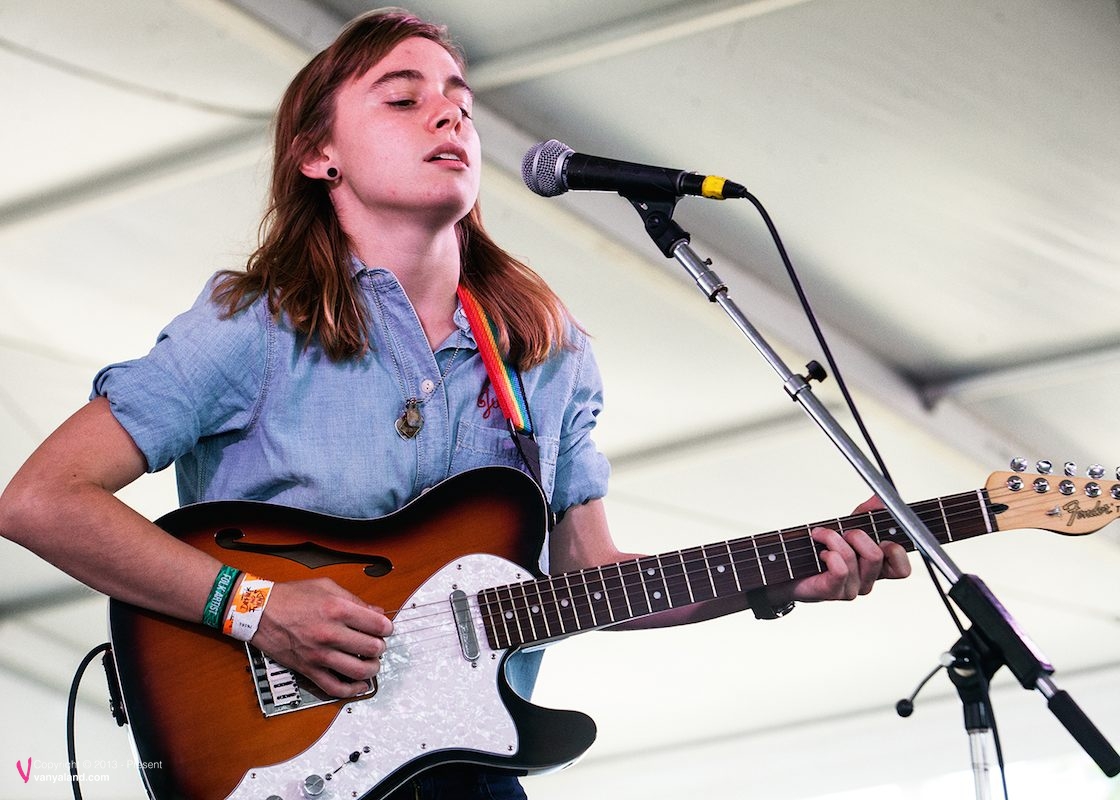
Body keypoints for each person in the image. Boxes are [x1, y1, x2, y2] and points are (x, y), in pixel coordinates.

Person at [0, 9, 911, 800]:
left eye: (460, 103)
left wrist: (779, 576)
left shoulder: (549, 355)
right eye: (402, 98)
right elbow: (41, 501)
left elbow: (594, 581)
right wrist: (253, 608)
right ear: (318, 155)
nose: (448, 113)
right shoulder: (255, 324)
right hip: (280, 764)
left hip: (466, 773)